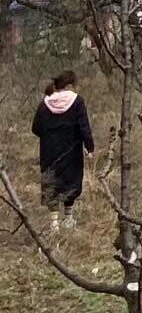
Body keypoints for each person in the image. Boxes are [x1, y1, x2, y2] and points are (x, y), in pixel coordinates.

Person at [32, 70, 94, 232]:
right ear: (69, 85)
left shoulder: (44, 104)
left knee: (51, 182)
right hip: (71, 151)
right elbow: (84, 127)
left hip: (49, 152)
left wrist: (49, 136)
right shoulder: (77, 102)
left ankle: (54, 224)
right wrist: (89, 147)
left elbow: (36, 128)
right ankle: (68, 218)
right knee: (71, 181)